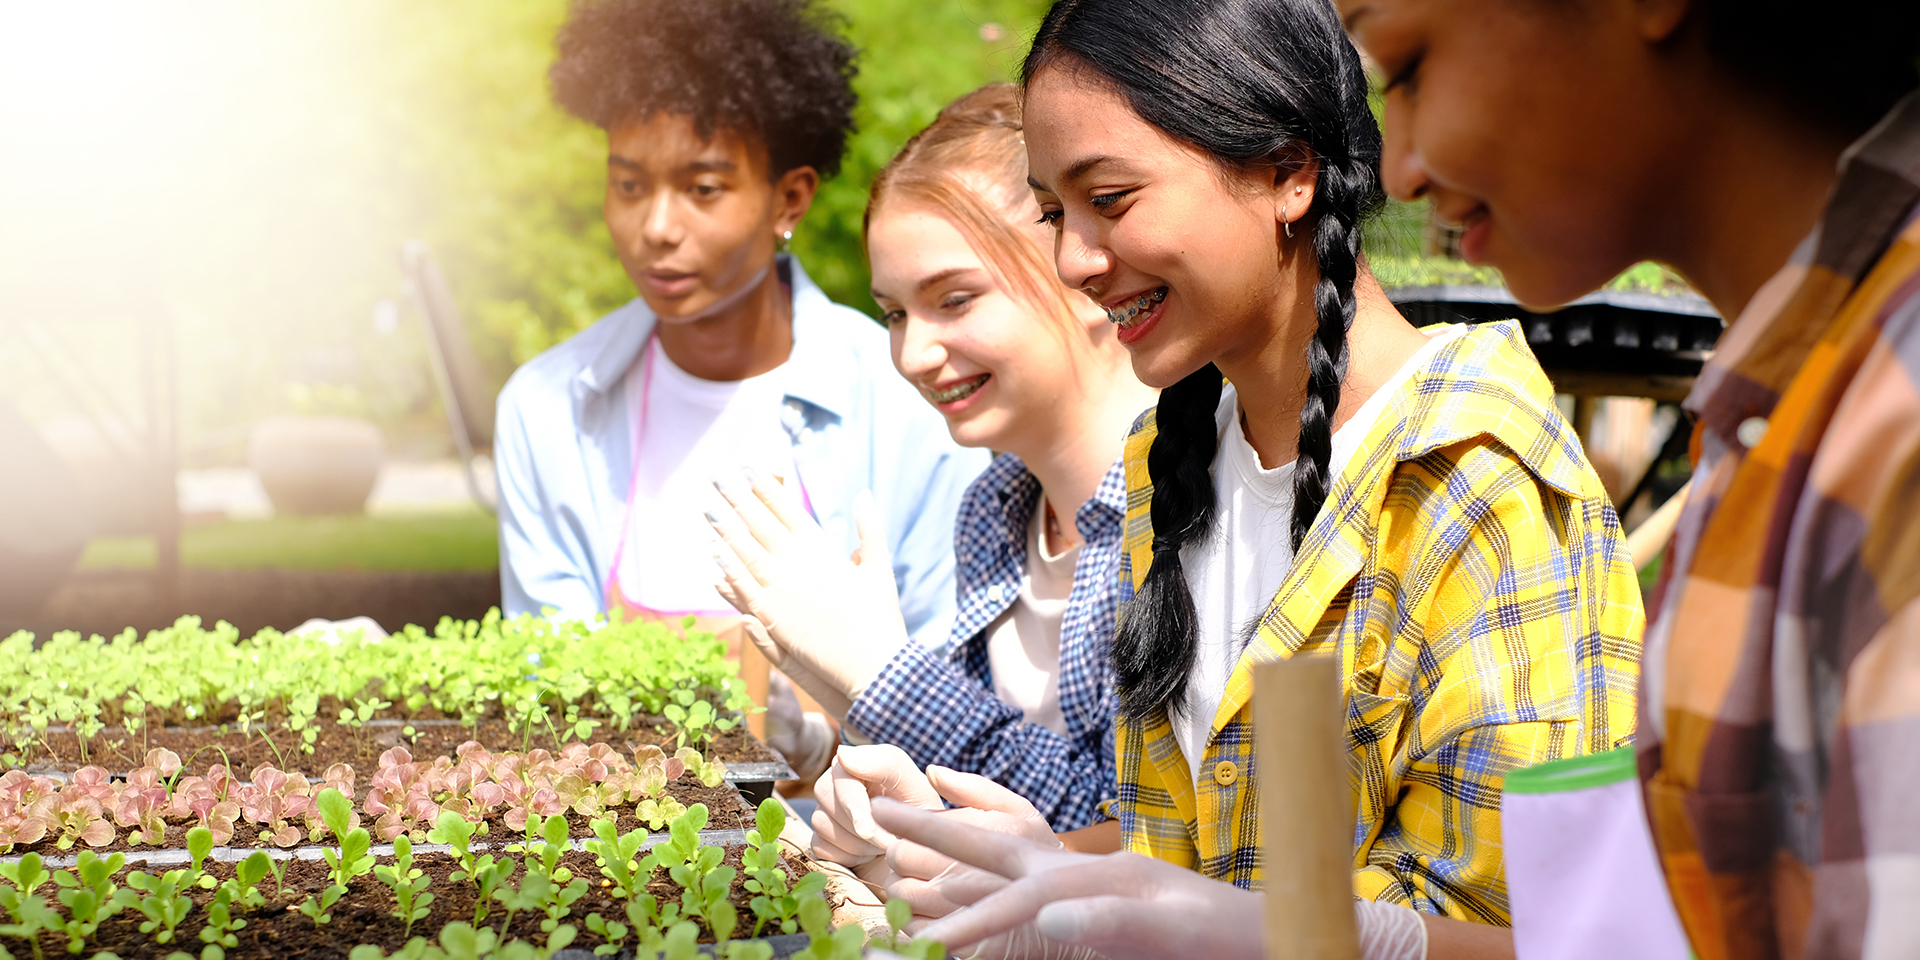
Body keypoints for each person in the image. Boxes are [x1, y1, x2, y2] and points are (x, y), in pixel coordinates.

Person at [875, 1, 1920, 959]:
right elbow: (1210, 859)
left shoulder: (1473, 475)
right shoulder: (1167, 463)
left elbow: (1558, 923)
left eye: (1109, 198)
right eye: (1057, 214)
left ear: (1289, 174)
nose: (1076, 262)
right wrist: (1062, 871)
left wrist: (1287, 934)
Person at [491, 0, 990, 777]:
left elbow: (952, 689)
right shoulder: (548, 408)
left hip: (862, 854)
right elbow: (548, 681)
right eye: (629, 186)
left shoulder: (909, 395)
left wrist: (810, 732)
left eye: (703, 188)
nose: (657, 226)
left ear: (789, 200)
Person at [705, 85, 1158, 844]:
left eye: (954, 300)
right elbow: (986, 800)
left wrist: (879, 676)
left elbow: (1137, 824)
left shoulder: (1188, 504)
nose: (913, 354)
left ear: (1082, 270)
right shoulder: (995, 511)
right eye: (895, 313)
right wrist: (849, 748)